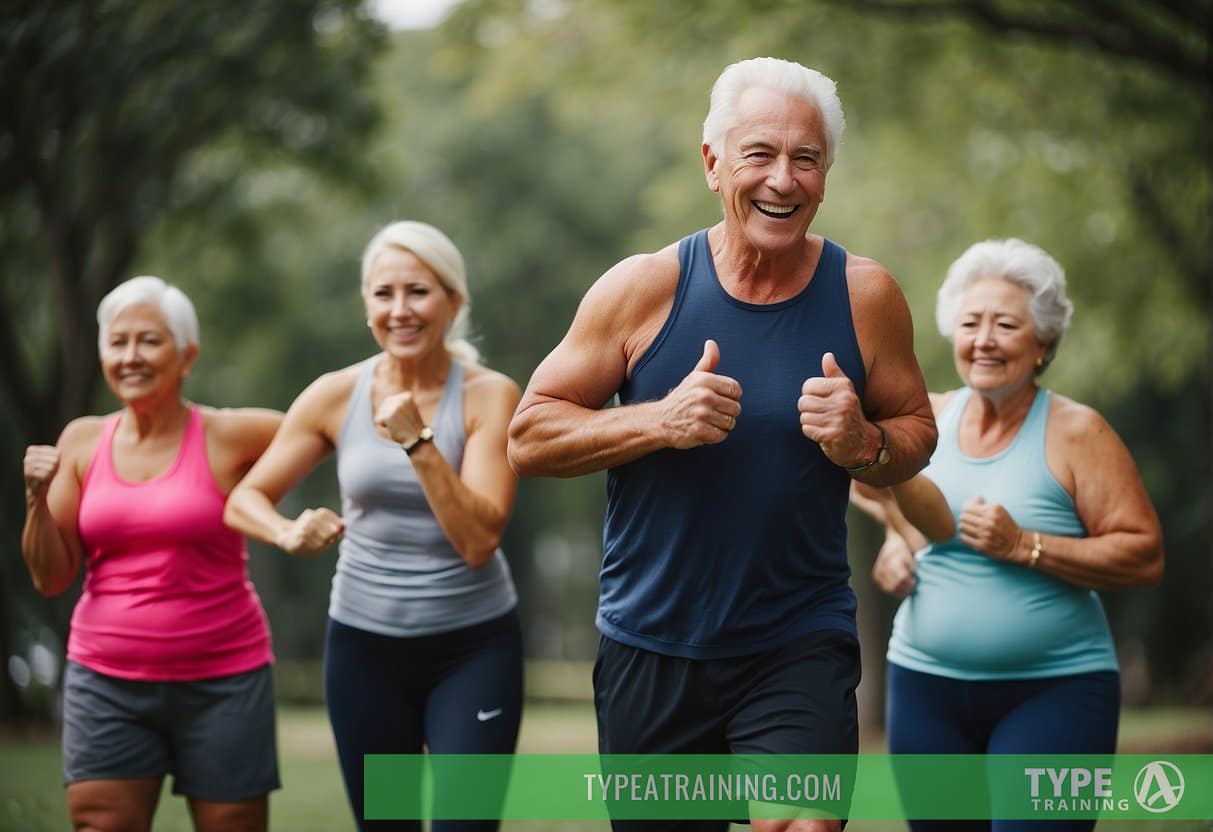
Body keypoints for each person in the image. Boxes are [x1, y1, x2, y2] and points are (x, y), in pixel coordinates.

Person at [507, 57, 937, 832]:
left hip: (796, 636)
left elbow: (916, 435)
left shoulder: (864, 295)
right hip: (651, 640)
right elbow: (530, 436)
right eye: (759, 155)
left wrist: (863, 442)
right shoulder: (642, 289)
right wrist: (657, 421)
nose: (783, 180)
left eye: (805, 159)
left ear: (825, 174)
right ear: (712, 164)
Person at [856, 237, 1165, 832]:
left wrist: (1024, 544)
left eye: (1007, 324)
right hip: (925, 690)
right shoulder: (930, 418)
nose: (985, 340)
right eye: (972, 322)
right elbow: (872, 479)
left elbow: (1143, 556)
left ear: (1043, 344)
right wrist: (899, 539)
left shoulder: (1078, 432)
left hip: (1056, 693)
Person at [224, 220, 524, 832]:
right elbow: (243, 499)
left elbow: (478, 541)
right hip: (364, 651)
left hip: (473, 648)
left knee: (465, 825)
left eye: (418, 291)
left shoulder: (490, 397)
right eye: (383, 294)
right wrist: (286, 532)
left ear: (453, 301)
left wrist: (418, 440)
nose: (400, 310)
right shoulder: (334, 396)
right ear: (366, 306)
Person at [21, 275, 282, 832]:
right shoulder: (81, 443)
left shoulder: (231, 434)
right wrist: (35, 501)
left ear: (188, 356)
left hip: (225, 677)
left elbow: (328, 427)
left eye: (150, 341)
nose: (131, 356)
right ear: (101, 356)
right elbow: (50, 576)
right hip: (106, 678)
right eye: (118, 343)